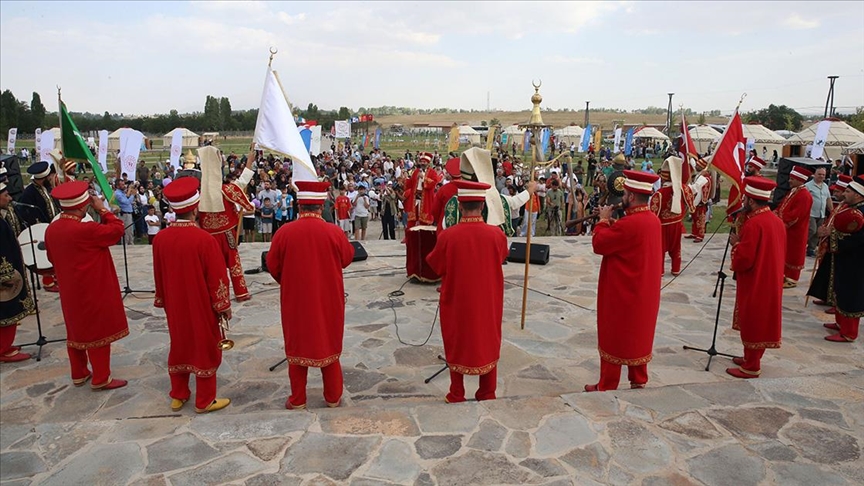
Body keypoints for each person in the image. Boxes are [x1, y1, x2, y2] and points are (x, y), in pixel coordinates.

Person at [267, 181, 354, 409]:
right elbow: (346, 258)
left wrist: (288, 282)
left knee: (298, 344)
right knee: (329, 342)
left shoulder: (284, 232)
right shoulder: (333, 232)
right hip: (328, 298)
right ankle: (333, 397)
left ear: (299, 206)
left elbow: (273, 265)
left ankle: (298, 399)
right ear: (321, 206)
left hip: (295, 300)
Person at [153, 177, 233, 414]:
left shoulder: (160, 239)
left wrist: (162, 298)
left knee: (179, 343)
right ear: (195, 207)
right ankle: (205, 399)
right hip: (201, 304)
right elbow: (217, 277)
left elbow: (158, 272)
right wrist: (223, 305)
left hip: (174, 303)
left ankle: (178, 394)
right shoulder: (204, 240)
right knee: (205, 346)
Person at [426, 180, 509, 402]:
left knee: (457, 339)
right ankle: (487, 391)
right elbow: (501, 257)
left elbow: (435, 265)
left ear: (460, 207)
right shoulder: (497, 235)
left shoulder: (447, 237)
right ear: (482, 207)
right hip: (488, 299)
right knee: (488, 339)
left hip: (458, 300)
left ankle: (457, 392)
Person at [45, 181, 128, 390]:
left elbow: (51, 258)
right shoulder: (87, 230)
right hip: (93, 287)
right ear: (83, 206)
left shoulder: (52, 229)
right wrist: (102, 209)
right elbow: (117, 230)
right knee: (97, 331)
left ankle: (79, 372)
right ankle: (101, 377)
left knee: (75, 330)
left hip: (69, 289)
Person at [584, 170, 662, 391]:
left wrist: (602, 221)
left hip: (622, 292)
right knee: (639, 333)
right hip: (644, 291)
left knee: (615, 334)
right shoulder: (653, 221)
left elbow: (600, 244)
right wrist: (610, 223)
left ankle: (607, 383)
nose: (623, 198)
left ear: (631, 197)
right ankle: (638, 378)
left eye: (625, 194)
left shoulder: (629, 224)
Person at [726, 176, 786, 379]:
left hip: (757, 279)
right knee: (760, 318)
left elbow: (745, 259)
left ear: (751, 201)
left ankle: (751, 366)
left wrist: (736, 244)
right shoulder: (776, 220)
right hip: (770, 277)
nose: (743, 203)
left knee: (753, 319)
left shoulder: (754, 224)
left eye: (745, 200)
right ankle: (750, 356)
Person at [198, 146, 255, 302]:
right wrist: (249, 162)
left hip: (207, 237)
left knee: (211, 268)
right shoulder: (226, 190)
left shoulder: (198, 195)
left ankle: (216, 295)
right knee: (233, 264)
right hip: (226, 235)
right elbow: (243, 185)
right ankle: (240, 292)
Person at [820, 176, 864, 343]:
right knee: (840, 289)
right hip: (844, 257)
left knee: (851, 293)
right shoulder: (850, 207)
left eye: (848, 191)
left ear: (859, 195)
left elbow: (858, 239)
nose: (844, 194)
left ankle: (849, 332)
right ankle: (840, 323)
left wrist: (831, 237)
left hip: (856, 260)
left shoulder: (861, 212)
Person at [0, 178, 35, 363]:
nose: (10, 198)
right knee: (7, 310)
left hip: (10, 269)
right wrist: (6, 275)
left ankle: (5, 345)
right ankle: (3, 349)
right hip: (5, 276)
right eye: (6, 195)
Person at [650, 157, 695, 275]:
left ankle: (660, 270)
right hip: (677, 223)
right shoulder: (682, 189)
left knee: (661, 248)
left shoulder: (659, 193)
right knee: (676, 248)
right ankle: (676, 269)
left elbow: (653, 213)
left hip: (663, 225)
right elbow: (690, 203)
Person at [403, 153, 442, 282]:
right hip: (416, 199)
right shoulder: (415, 172)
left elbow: (433, 183)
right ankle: (409, 236)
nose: (423, 163)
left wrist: (424, 178)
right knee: (413, 218)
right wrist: (405, 180)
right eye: (421, 161)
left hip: (426, 199)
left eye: (425, 162)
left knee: (425, 220)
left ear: (428, 163)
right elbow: (410, 184)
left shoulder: (431, 172)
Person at [775, 166, 813, 288]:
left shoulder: (804, 195)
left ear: (799, 180)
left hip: (795, 231)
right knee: (786, 251)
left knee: (793, 253)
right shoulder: (793, 191)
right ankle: (783, 275)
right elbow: (782, 206)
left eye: (792, 178)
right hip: (786, 230)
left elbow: (795, 215)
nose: (789, 181)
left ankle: (791, 278)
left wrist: (779, 218)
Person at [804, 167, 833, 257]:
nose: (821, 176)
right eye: (819, 174)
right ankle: (802, 245)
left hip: (821, 214)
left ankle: (811, 249)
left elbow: (828, 199)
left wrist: (832, 210)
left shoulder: (825, 186)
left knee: (818, 232)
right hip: (810, 213)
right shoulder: (807, 186)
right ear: (814, 175)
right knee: (812, 230)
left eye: (823, 175)